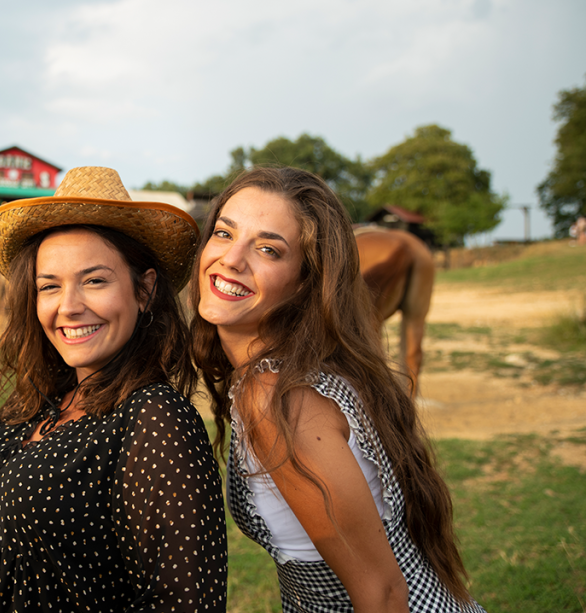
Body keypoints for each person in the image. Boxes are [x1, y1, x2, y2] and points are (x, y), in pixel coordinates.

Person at [0, 166, 228, 612]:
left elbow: (183, 604)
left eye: (94, 280)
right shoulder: (41, 400)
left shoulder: (153, 419)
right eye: (49, 286)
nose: (69, 307)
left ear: (144, 289)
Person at [190, 166, 485, 613]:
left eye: (268, 249)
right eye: (224, 233)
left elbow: (384, 595)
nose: (232, 259)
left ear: (305, 281)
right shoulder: (305, 367)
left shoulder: (277, 399)